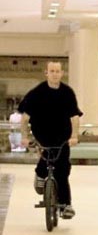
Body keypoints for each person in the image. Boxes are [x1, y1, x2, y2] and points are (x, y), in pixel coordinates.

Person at [18, 60, 82, 219]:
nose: (55, 74)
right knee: (45, 160)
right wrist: (24, 137)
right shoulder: (37, 92)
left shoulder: (67, 92)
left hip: (62, 138)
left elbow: (75, 117)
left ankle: (66, 205)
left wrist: (74, 136)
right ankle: (40, 175)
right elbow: (25, 118)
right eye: (52, 71)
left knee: (62, 171)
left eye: (57, 71)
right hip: (43, 136)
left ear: (62, 73)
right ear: (46, 73)